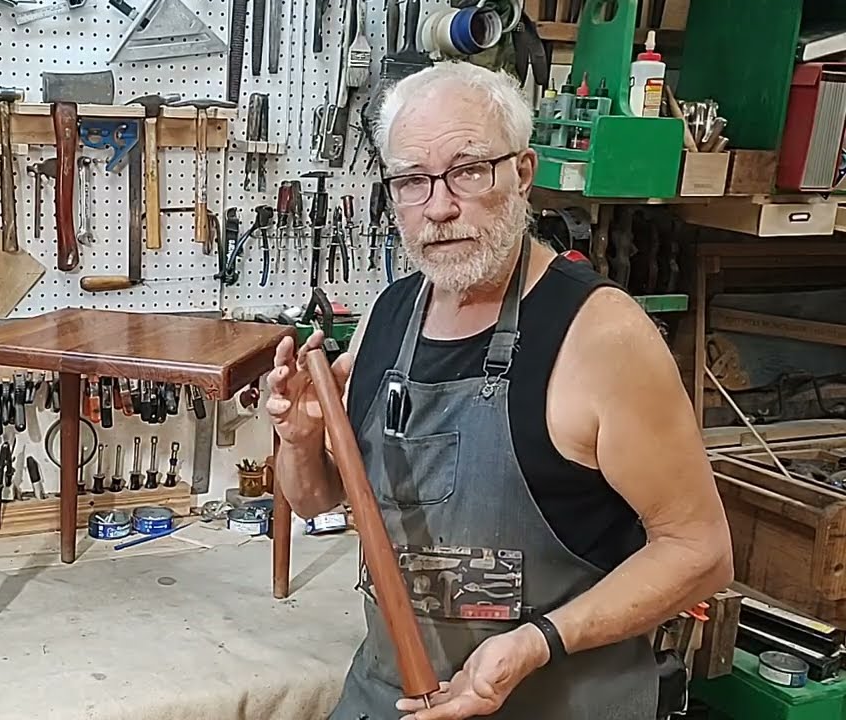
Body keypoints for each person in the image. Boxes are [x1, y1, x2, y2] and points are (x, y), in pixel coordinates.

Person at [265, 62, 733, 720]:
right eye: (412, 181)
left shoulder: (603, 338)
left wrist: (537, 643)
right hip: (393, 696)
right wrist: (300, 441)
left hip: (555, 703)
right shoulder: (385, 319)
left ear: (522, 173)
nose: (440, 206)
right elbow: (318, 498)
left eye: (469, 169)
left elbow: (701, 553)